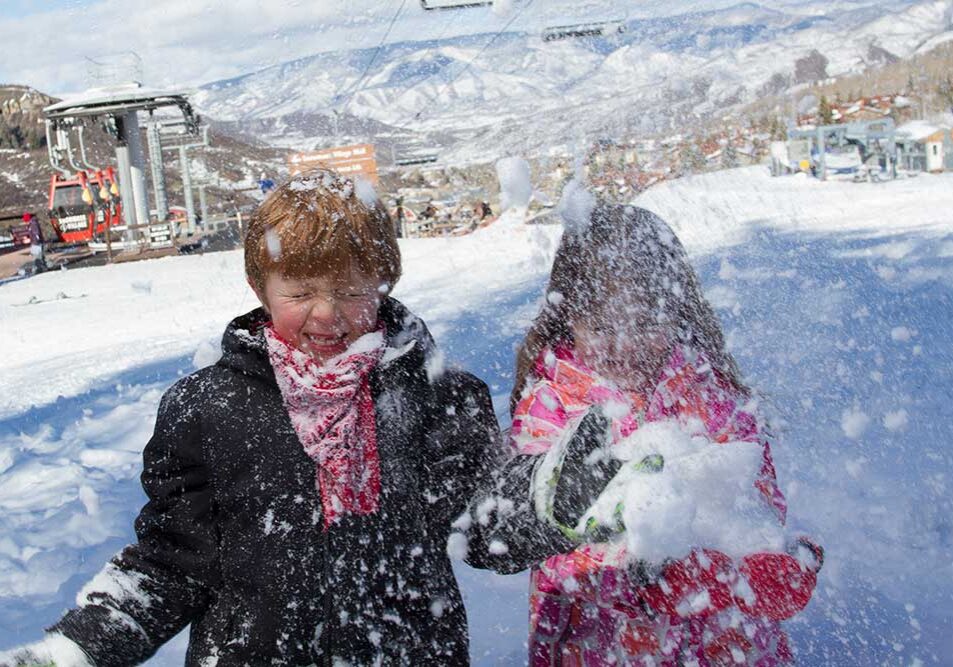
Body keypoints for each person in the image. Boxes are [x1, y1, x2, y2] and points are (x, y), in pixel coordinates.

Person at [0, 168, 502, 667]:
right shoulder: (208, 408)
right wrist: (78, 649)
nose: (326, 314)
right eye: (301, 293)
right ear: (259, 288)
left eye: (350, 292)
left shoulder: (436, 396)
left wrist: (556, 494)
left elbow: (485, 523)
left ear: (383, 281)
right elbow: (174, 561)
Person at [460, 204, 822, 665]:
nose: (626, 344)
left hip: (729, 647)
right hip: (601, 648)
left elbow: (756, 501)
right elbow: (549, 540)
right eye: (604, 326)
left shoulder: (709, 391)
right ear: (568, 315)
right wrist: (646, 577)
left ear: (678, 311)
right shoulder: (552, 407)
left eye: (648, 323)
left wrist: (778, 560)